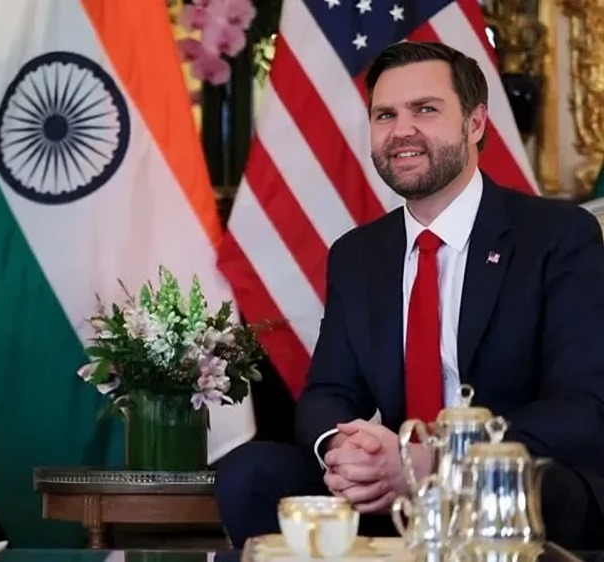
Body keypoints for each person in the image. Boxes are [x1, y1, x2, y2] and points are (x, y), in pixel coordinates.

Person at [215, 41, 604, 550]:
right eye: (385, 115)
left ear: (475, 123)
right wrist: (347, 452)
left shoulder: (557, 236)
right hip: (390, 493)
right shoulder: (357, 255)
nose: (401, 131)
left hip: (510, 483)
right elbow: (328, 392)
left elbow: (581, 408)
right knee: (251, 472)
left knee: (536, 487)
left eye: (425, 110)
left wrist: (439, 460)